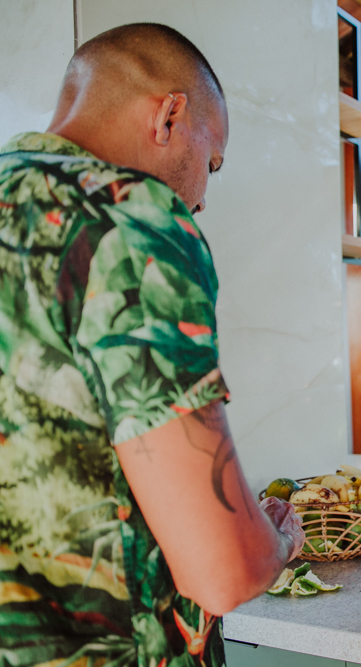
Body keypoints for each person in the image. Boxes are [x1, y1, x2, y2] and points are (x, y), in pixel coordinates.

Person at [0, 23, 304, 667]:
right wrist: (278, 542)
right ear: (169, 115)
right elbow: (222, 571)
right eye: (212, 163)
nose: (201, 200)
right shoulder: (130, 219)